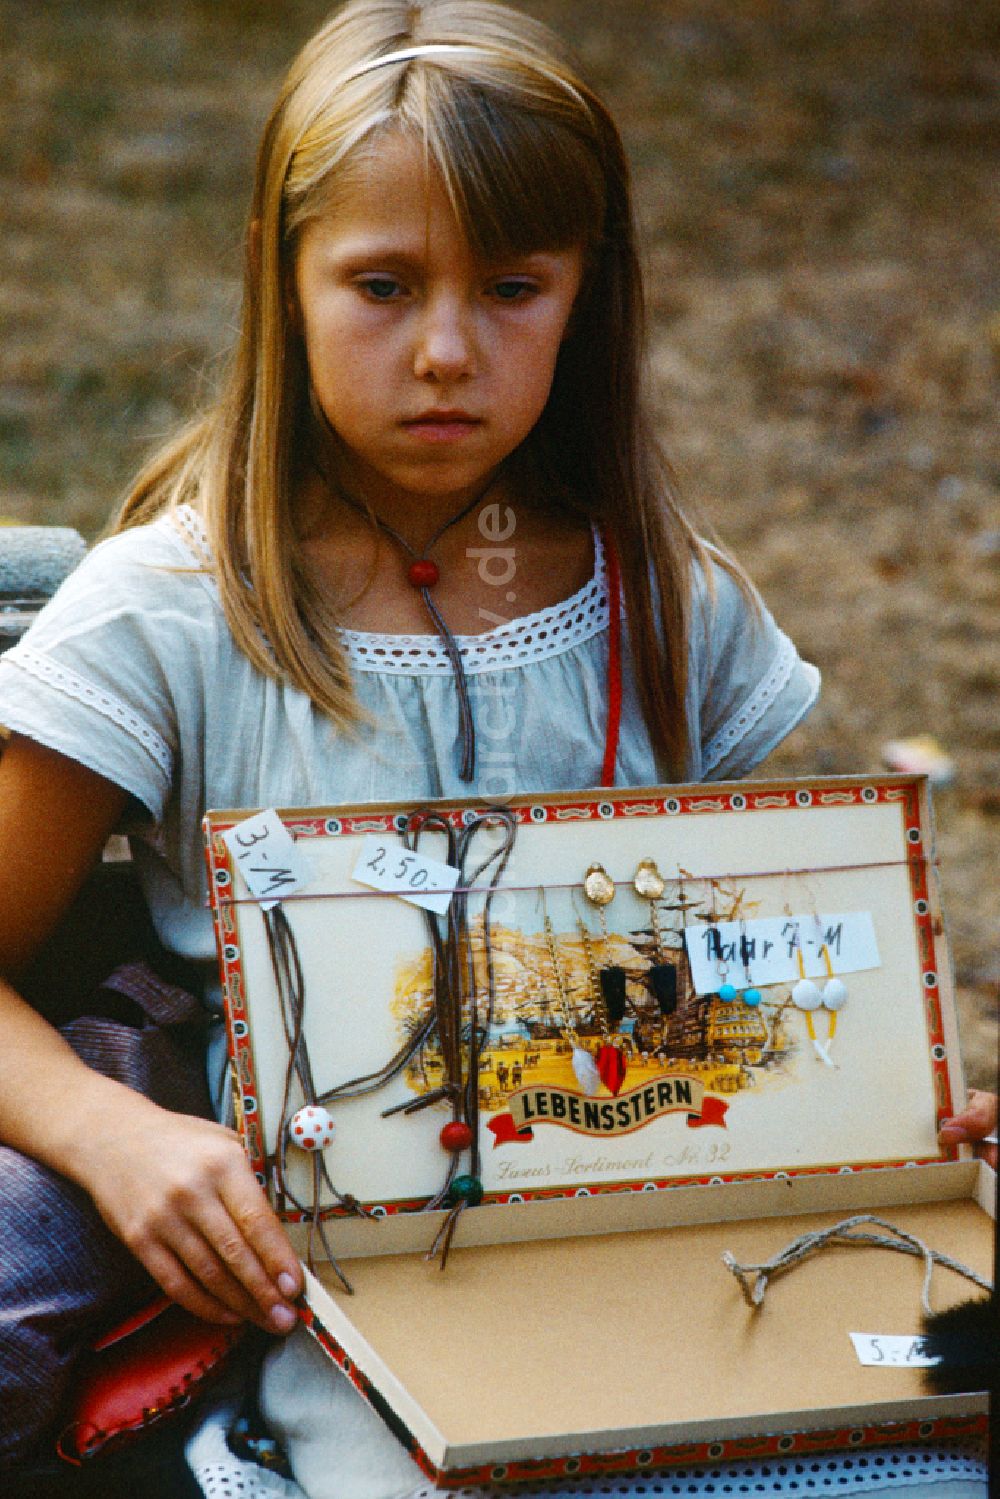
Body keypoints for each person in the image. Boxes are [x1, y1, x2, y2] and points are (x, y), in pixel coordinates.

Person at [0, 2, 990, 1495]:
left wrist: (916, 1104)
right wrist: (109, 1134)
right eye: (383, 287)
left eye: (515, 287)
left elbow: (800, 962)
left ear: (589, 297)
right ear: (284, 283)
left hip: (665, 1237)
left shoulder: (673, 607)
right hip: (327, 1272)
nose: (448, 351)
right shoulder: (168, 612)